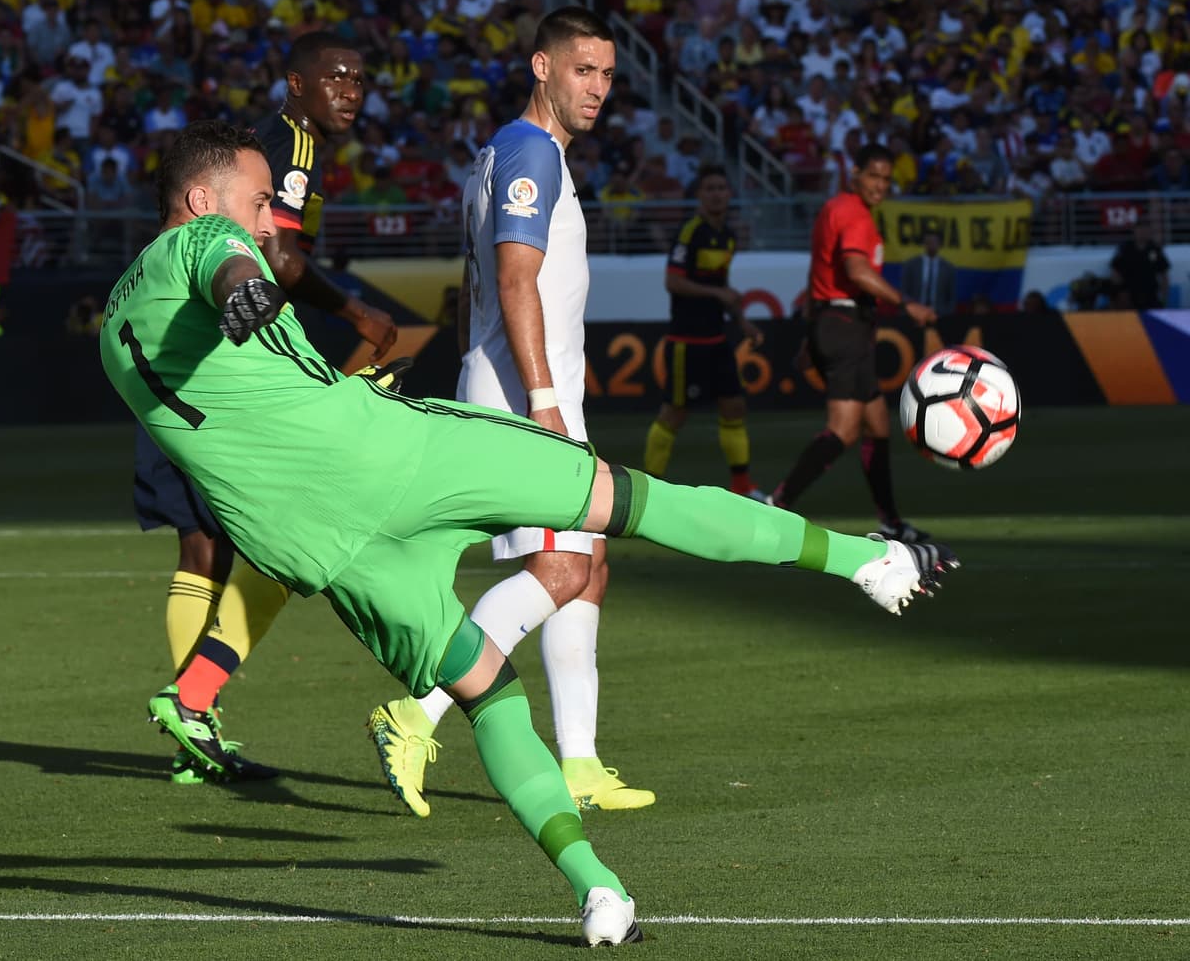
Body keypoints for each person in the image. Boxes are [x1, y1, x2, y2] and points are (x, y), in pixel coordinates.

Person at [101, 119, 957, 948]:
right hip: (392, 458)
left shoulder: (115, 323)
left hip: (323, 551)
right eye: (256, 202)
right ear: (202, 197)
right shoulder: (200, 245)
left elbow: (243, 396)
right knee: (629, 503)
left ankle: (598, 889)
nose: (266, 220)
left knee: (489, 695)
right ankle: (870, 561)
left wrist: (295, 346)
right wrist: (245, 286)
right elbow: (221, 261)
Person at [366, 7, 653, 821]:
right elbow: (517, 282)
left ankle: (581, 763)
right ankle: (415, 715)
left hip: (523, 389)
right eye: (582, 71)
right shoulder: (530, 152)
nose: (597, 88)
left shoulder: (509, 151)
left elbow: (478, 295)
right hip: (527, 401)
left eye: (606, 74)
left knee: (589, 567)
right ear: (541, 67)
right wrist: (542, 404)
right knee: (561, 569)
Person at [129, 31, 399, 785]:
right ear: (296, 84)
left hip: (190, 360)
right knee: (274, 545)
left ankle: (191, 720)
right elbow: (277, 258)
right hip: (225, 364)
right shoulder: (293, 148)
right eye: (335, 76)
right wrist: (358, 313)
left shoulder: (275, 144)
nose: (350, 88)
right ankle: (193, 710)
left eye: (360, 77)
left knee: (204, 547)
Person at [767, 142, 937, 543]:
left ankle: (891, 522)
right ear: (855, 173)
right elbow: (856, 270)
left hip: (838, 322)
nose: (880, 186)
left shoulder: (837, 210)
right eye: (874, 176)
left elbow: (817, 274)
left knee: (878, 427)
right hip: (844, 323)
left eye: (887, 180)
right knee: (843, 431)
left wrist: (811, 332)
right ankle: (776, 505)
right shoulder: (854, 214)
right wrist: (906, 303)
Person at [643, 164, 767, 500]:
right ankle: (647, 488)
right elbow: (673, 281)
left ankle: (742, 486)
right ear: (699, 195)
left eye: (721, 189)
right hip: (687, 342)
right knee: (674, 414)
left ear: (729, 194)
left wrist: (742, 322)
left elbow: (721, 285)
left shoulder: (726, 235)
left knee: (734, 408)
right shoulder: (691, 232)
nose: (716, 194)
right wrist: (717, 295)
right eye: (710, 188)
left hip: (717, 339)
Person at [1108, 220, 1170, 309]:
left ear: (1149, 231)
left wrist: (1164, 298)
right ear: (1134, 231)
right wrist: (1120, 292)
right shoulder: (1125, 249)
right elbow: (1115, 272)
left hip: (1150, 295)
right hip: (1129, 295)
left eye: (1145, 229)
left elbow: (1164, 275)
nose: (1142, 232)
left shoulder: (1154, 250)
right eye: (1140, 229)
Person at [899, 231, 957, 316]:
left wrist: (946, 312)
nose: (931, 245)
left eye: (934, 242)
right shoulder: (911, 265)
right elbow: (904, 291)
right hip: (914, 314)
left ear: (940, 244)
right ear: (924, 244)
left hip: (939, 315)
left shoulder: (948, 269)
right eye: (928, 242)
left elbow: (951, 296)